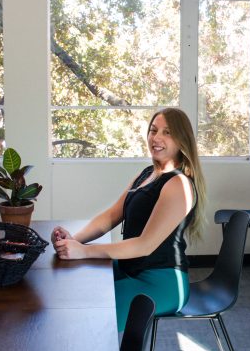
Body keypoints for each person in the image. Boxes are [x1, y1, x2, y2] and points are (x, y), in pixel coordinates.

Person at [51, 108, 206, 331]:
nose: (156, 138)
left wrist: (83, 250)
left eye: (167, 132)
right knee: (77, 284)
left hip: (160, 282)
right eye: (153, 130)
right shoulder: (147, 174)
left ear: (182, 140)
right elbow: (110, 216)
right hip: (130, 268)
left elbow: (145, 245)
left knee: (90, 315)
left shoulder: (179, 184)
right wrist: (74, 241)